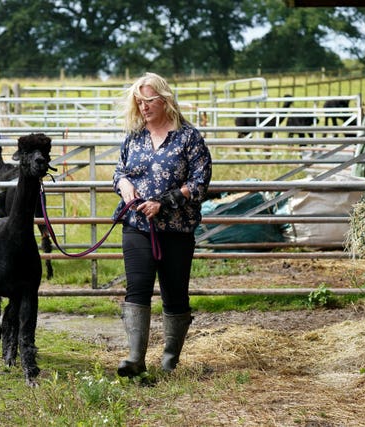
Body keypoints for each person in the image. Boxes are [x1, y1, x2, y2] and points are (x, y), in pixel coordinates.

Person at [112, 72, 212, 377]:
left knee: (175, 292)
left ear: (165, 100)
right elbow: (118, 172)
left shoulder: (188, 138)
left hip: (177, 230)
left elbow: (200, 182)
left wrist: (164, 202)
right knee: (137, 288)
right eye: (139, 101)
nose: (144, 107)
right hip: (137, 225)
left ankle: (170, 359)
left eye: (149, 100)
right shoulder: (134, 137)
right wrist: (125, 185)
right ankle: (135, 359)